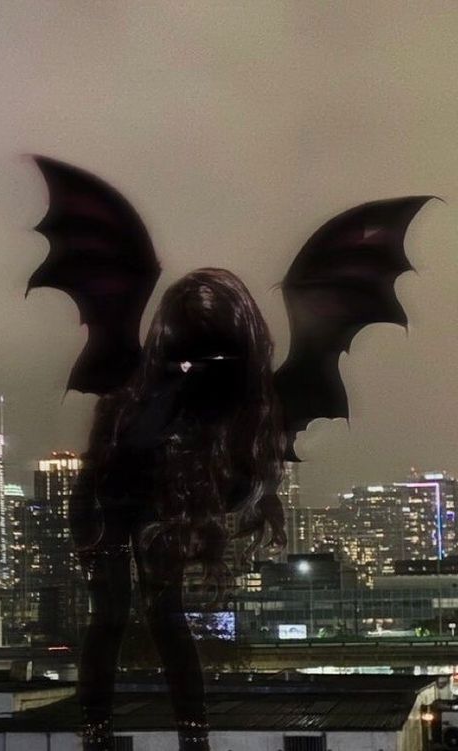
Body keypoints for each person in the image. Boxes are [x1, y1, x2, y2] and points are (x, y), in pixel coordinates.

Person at [69, 267, 286, 751]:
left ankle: (193, 733)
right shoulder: (141, 390)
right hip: (102, 500)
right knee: (110, 614)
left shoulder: (215, 397)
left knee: (164, 613)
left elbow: (223, 475)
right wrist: (179, 381)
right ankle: (96, 731)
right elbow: (135, 441)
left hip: (149, 503)